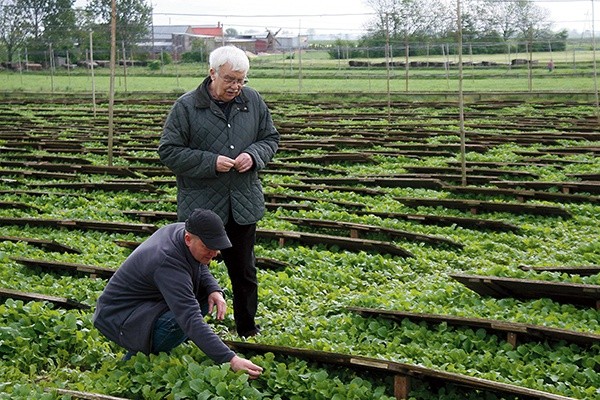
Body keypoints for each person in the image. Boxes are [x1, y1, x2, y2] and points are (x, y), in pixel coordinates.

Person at [158, 45, 280, 338]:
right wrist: (210, 162)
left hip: (241, 203)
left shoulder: (253, 101)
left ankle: (247, 328)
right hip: (202, 207)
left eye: (241, 80)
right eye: (230, 79)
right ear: (212, 73)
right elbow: (169, 151)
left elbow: (270, 138)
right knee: (192, 272)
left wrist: (254, 155)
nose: (236, 87)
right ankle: (184, 328)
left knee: (245, 272)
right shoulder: (186, 107)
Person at [93, 208, 263, 379]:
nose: (214, 254)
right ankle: (133, 361)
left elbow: (198, 264)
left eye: (216, 247)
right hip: (119, 319)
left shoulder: (183, 231)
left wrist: (214, 289)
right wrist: (231, 359)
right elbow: (189, 318)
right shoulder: (168, 262)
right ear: (188, 239)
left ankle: (157, 341)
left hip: (144, 305)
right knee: (179, 322)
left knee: (206, 297)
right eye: (208, 247)